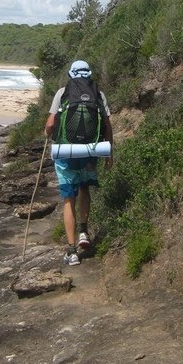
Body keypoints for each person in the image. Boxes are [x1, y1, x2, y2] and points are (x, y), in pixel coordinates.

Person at [44, 60, 113, 266]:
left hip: (66, 153)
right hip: (90, 151)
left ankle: (72, 252)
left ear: (71, 74)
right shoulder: (98, 94)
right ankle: (84, 232)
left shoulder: (62, 92)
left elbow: (50, 123)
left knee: (68, 199)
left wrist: (47, 134)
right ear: (89, 74)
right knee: (85, 190)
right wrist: (110, 153)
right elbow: (108, 125)